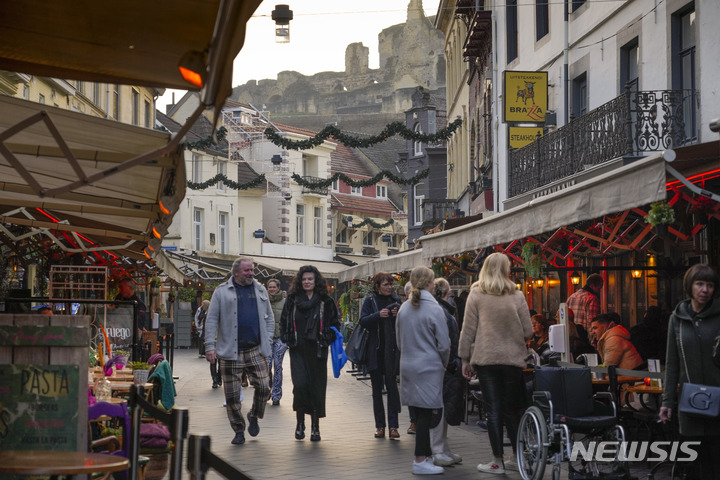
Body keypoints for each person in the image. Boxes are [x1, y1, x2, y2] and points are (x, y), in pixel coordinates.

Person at [459, 252, 532, 475]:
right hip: (512, 361)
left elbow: (468, 330)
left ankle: (496, 461)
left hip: (487, 360)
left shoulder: (476, 294)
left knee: (493, 411)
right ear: (506, 269)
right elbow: (528, 330)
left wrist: (464, 358)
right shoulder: (516, 294)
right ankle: (517, 458)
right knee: (512, 410)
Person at [204, 257, 274, 446]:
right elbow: (211, 320)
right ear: (236, 273)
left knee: (264, 386)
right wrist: (210, 346)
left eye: (252, 270)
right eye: (247, 271)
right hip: (230, 351)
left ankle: (254, 415)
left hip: (255, 349)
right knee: (232, 396)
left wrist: (267, 341)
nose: (251, 273)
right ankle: (239, 430)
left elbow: (269, 319)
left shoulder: (260, 289)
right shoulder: (221, 292)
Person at [660, 264, 720, 478]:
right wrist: (667, 402)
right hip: (691, 401)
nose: (705, 290)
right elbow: (672, 363)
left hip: (718, 399)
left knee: (716, 458)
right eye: (700, 284)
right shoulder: (677, 318)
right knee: (694, 460)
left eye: (710, 285)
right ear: (690, 286)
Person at [396, 266, 450, 475]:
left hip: (408, 364)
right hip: (429, 365)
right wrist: (442, 363)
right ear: (430, 283)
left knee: (418, 413)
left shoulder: (404, 308)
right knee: (427, 413)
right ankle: (420, 459)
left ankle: (425, 455)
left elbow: (399, 341)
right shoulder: (435, 308)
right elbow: (444, 344)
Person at [279, 265, 340, 442]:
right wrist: (287, 338)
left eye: (310, 279)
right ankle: (299, 423)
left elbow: (335, 323)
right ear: (300, 281)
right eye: (304, 279)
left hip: (318, 350)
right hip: (298, 349)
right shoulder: (292, 300)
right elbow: (284, 321)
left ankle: (315, 427)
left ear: (316, 281)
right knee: (300, 386)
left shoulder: (325, 301)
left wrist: (327, 336)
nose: (307, 282)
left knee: (316, 388)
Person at [359, 271, 402, 440]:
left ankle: (393, 426)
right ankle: (380, 426)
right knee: (376, 391)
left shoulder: (396, 301)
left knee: (392, 389)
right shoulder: (370, 301)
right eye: (386, 284)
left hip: (391, 353)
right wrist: (379, 315)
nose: (389, 287)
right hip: (375, 352)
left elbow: (404, 324)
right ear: (377, 286)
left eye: (391, 284)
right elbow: (362, 320)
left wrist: (397, 316)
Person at [429, 277, 463, 467]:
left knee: (443, 407)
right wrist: (450, 362)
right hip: (444, 365)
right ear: (447, 293)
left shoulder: (440, 309)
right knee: (439, 408)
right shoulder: (441, 311)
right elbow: (444, 341)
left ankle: (443, 447)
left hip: (445, 364)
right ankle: (438, 449)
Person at [266, 279, 287, 406]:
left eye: (274, 287)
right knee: (266, 366)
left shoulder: (284, 302)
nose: (272, 289)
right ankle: (268, 390)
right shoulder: (263, 301)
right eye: (270, 287)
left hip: (280, 338)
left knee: (278, 366)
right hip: (267, 339)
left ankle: (276, 395)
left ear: (278, 288)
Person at [403, 281, 417, 436]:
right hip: (411, 357)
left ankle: (416, 422)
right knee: (413, 391)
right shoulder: (404, 310)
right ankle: (414, 421)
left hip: (412, 357)